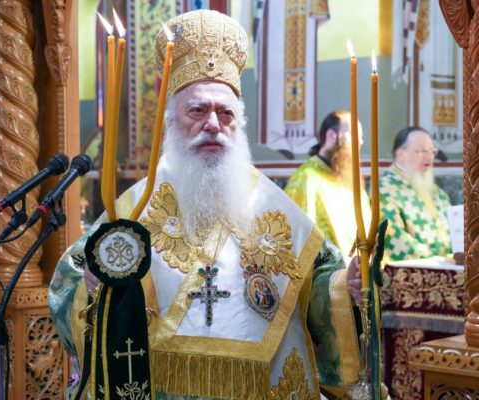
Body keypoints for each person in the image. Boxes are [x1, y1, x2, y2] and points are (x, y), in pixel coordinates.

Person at [50, 10, 362, 399]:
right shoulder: (135, 208)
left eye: (225, 112)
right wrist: (91, 283)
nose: (213, 123)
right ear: (170, 121)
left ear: (238, 123)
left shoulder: (273, 205)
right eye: (197, 110)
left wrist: (345, 285)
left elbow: (318, 281)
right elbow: (68, 283)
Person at [285, 110, 371, 257]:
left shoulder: (350, 180)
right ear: (332, 135)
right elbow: (299, 239)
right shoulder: (306, 178)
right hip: (329, 270)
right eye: (354, 134)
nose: (360, 142)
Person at [380, 126, 452, 261]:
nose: (429, 157)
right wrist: (438, 261)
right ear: (401, 155)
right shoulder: (385, 190)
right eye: (422, 151)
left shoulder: (437, 192)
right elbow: (392, 235)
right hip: (415, 268)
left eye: (432, 151)